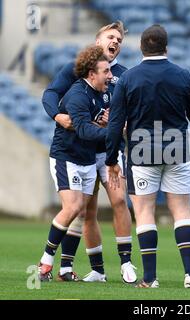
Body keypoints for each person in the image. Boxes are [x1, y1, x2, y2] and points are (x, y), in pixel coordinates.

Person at [105, 24, 190, 288]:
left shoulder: (128, 79)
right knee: (182, 211)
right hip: (176, 151)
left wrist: (111, 160)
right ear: (166, 48)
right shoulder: (183, 76)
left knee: (145, 213)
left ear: (141, 47)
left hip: (141, 153)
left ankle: (150, 278)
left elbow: (115, 124)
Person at [42, 21, 136, 283]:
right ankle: (90, 269)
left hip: (107, 150)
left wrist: (121, 126)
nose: (115, 41)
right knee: (84, 211)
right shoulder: (78, 70)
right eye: (110, 36)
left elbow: (129, 113)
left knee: (119, 200)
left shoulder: (124, 76)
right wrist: (58, 116)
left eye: (119, 39)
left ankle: (126, 262)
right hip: (82, 150)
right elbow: (50, 93)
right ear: (98, 42)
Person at [38, 46, 111, 281]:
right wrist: (113, 133)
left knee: (80, 213)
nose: (110, 76)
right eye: (106, 71)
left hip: (88, 159)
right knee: (72, 207)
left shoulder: (104, 92)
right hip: (66, 156)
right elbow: (84, 129)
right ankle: (45, 262)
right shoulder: (77, 94)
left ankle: (66, 268)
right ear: (91, 73)